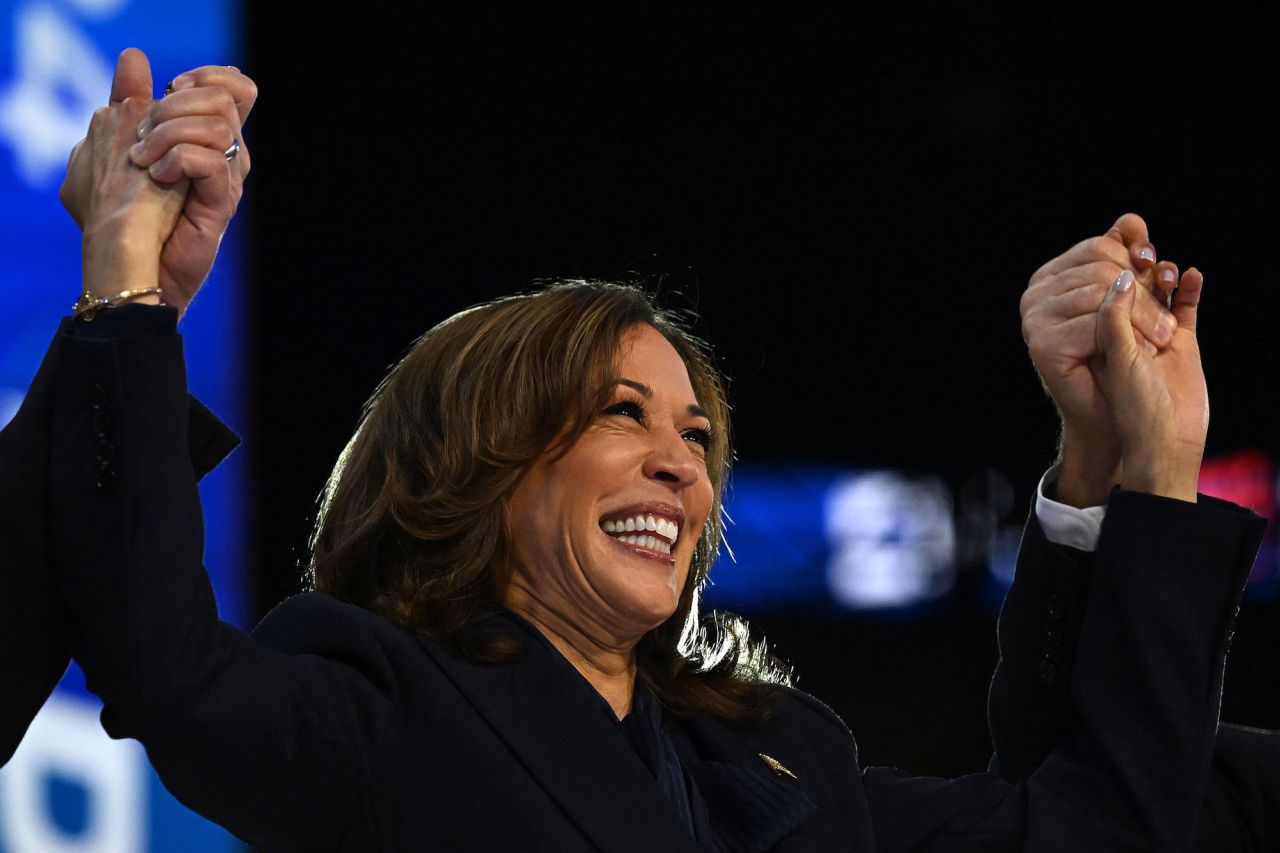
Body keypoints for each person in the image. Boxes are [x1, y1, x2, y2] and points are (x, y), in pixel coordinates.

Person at [2, 47, 1268, 850]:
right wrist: (131, 295)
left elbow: (1096, 825)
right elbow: (162, 662)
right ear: (478, 463)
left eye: (697, 433)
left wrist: (1126, 465)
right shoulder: (373, 705)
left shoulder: (780, 759)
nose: (682, 464)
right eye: (621, 413)